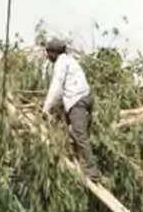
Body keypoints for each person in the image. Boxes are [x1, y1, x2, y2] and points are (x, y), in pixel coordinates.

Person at [42, 38, 101, 181]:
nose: (47, 56)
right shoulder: (70, 61)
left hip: (77, 102)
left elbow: (56, 87)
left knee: (80, 135)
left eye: (48, 53)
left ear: (54, 53)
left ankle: (92, 171)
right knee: (72, 130)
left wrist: (46, 108)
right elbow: (64, 90)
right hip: (82, 99)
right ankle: (82, 160)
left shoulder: (61, 63)